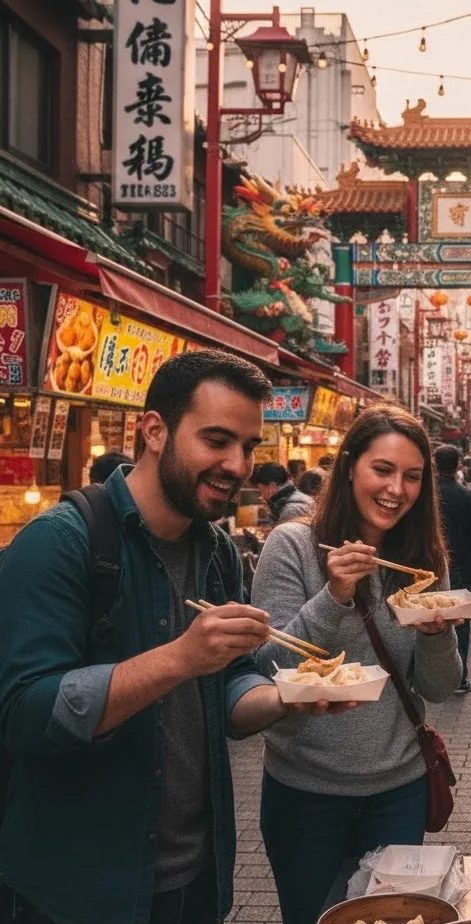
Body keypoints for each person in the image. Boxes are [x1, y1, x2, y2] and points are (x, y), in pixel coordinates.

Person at [0, 351, 350, 924]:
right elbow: (24, 714)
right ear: (155, 431)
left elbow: (230, 682)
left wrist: (287, 698)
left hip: (197, 880)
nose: (236, 464)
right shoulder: (58, 544)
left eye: (248, 447)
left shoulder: (216, 554)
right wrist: (180, 657)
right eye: (216, 440)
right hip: (78, 891)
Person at [252, 404, 463, 924]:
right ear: (350, 468)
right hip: (306, 790)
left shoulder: (420, 560)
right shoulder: (293, 546)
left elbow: (438, 687)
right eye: (383, 470)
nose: (397, 489)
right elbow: (269, 664)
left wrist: (437, 632)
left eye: (412, 477)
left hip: (399, 788)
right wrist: (336, 593)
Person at [434, 444, 471, 694]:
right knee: (460, 621)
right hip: (461, 565)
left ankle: (427, 675)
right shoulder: (466, 495)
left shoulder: (426, 493)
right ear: (458, 465)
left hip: (429, 565)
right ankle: (460, 675)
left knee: (426, 617)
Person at [251, 461, 316, 524]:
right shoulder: (289, 500)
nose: (262, 496)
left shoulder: (290, 510)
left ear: (272, 486)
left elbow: (283, 534)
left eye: (261, 490)